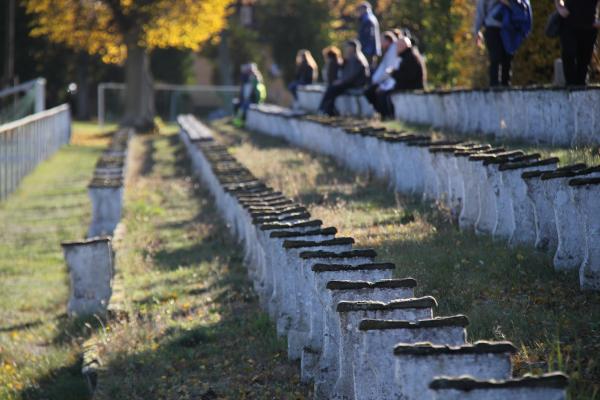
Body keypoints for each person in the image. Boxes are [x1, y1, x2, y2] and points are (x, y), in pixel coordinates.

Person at [371, 36, 427, 119]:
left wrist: (393, 73)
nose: (396, 49)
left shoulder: (410, 57)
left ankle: (389, 116)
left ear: (403, 46)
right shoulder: (407, 56)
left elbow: (407, 76)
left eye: (398, 46)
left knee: (384, 94)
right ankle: (386, 116)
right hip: (407, 84)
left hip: (413, 86)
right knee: (380, 92)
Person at [318, 40, 370, 116]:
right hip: (349, 82)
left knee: (332, 89)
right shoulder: (352, 57)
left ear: (352, 48)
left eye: (347, 47)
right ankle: (327, 110)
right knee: (332, 89)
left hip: (355, 84)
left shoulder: (357, 58)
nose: (345, 49)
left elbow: (352, 75)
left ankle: (324, 109)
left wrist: (341, 81)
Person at [555, 0, 600, 85]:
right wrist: (560, 7)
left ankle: (581, 85)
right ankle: (570, 85)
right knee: (569, 53)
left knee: (584, 59)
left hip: (589, 25)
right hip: (568, 23)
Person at [474, 0, 513, 86]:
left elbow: (480, 12)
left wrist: (476, 31)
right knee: (498, 57)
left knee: (504, 58)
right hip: (497, 27)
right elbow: (480, 11)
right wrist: (476, 31)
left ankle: (502, 85)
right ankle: (497, 86)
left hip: (505, 27)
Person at [364, 31, 401, 119]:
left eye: (382, 41)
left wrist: (377, 81)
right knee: (369, 91)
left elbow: (389, 69)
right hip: (386, 80)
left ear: (388, 41)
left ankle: (386, 115)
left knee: (378, 92)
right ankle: (382, 114)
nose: (380, 44)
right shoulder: (389, 51)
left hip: (391, 80)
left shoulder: (393, 50)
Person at [357, 2, 381, 68]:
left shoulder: (367, 20)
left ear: (364, 9)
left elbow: (369, 37)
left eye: (359, 10)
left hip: (368, 51)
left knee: (368, 70)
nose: (358, 12)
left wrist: (364, 50)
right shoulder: (371, 18)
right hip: (370, 50)